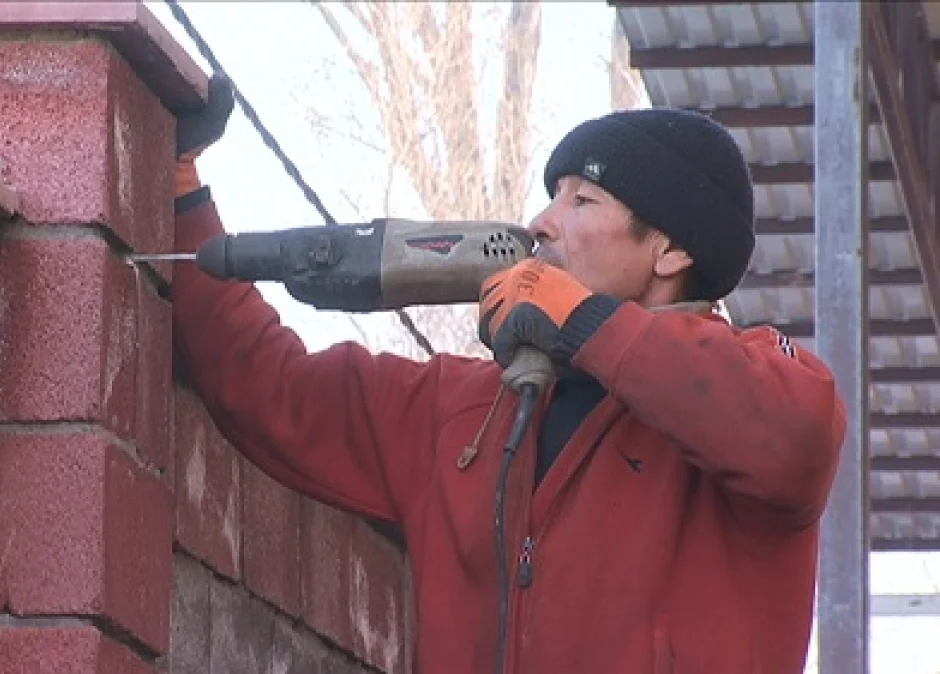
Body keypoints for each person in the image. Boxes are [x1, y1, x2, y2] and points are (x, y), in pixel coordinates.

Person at [169, 77, 846, 674]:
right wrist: (181, 189)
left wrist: (585, 323)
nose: (541, 222)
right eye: (552, 196)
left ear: (670, 250)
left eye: (583, 200)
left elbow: (795, 435)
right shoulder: (459, 410)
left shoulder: (760, 392)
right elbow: (265, 384)